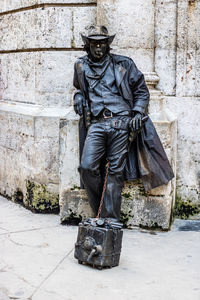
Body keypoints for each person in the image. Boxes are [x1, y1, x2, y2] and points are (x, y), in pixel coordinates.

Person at [73, 25, 174, 222]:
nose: (99, 48)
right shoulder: (80, 66)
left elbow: (142, 91)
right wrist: (77, 97)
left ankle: (109, 221)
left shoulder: (124, 64)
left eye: (102, 43)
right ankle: (102, 214)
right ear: (87, 45)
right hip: (97, 124)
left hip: (121, 123)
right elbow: (79, 89)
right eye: (94, 44)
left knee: (114, 172)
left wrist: (137, 112)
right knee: (86, 168)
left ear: (108, 45)